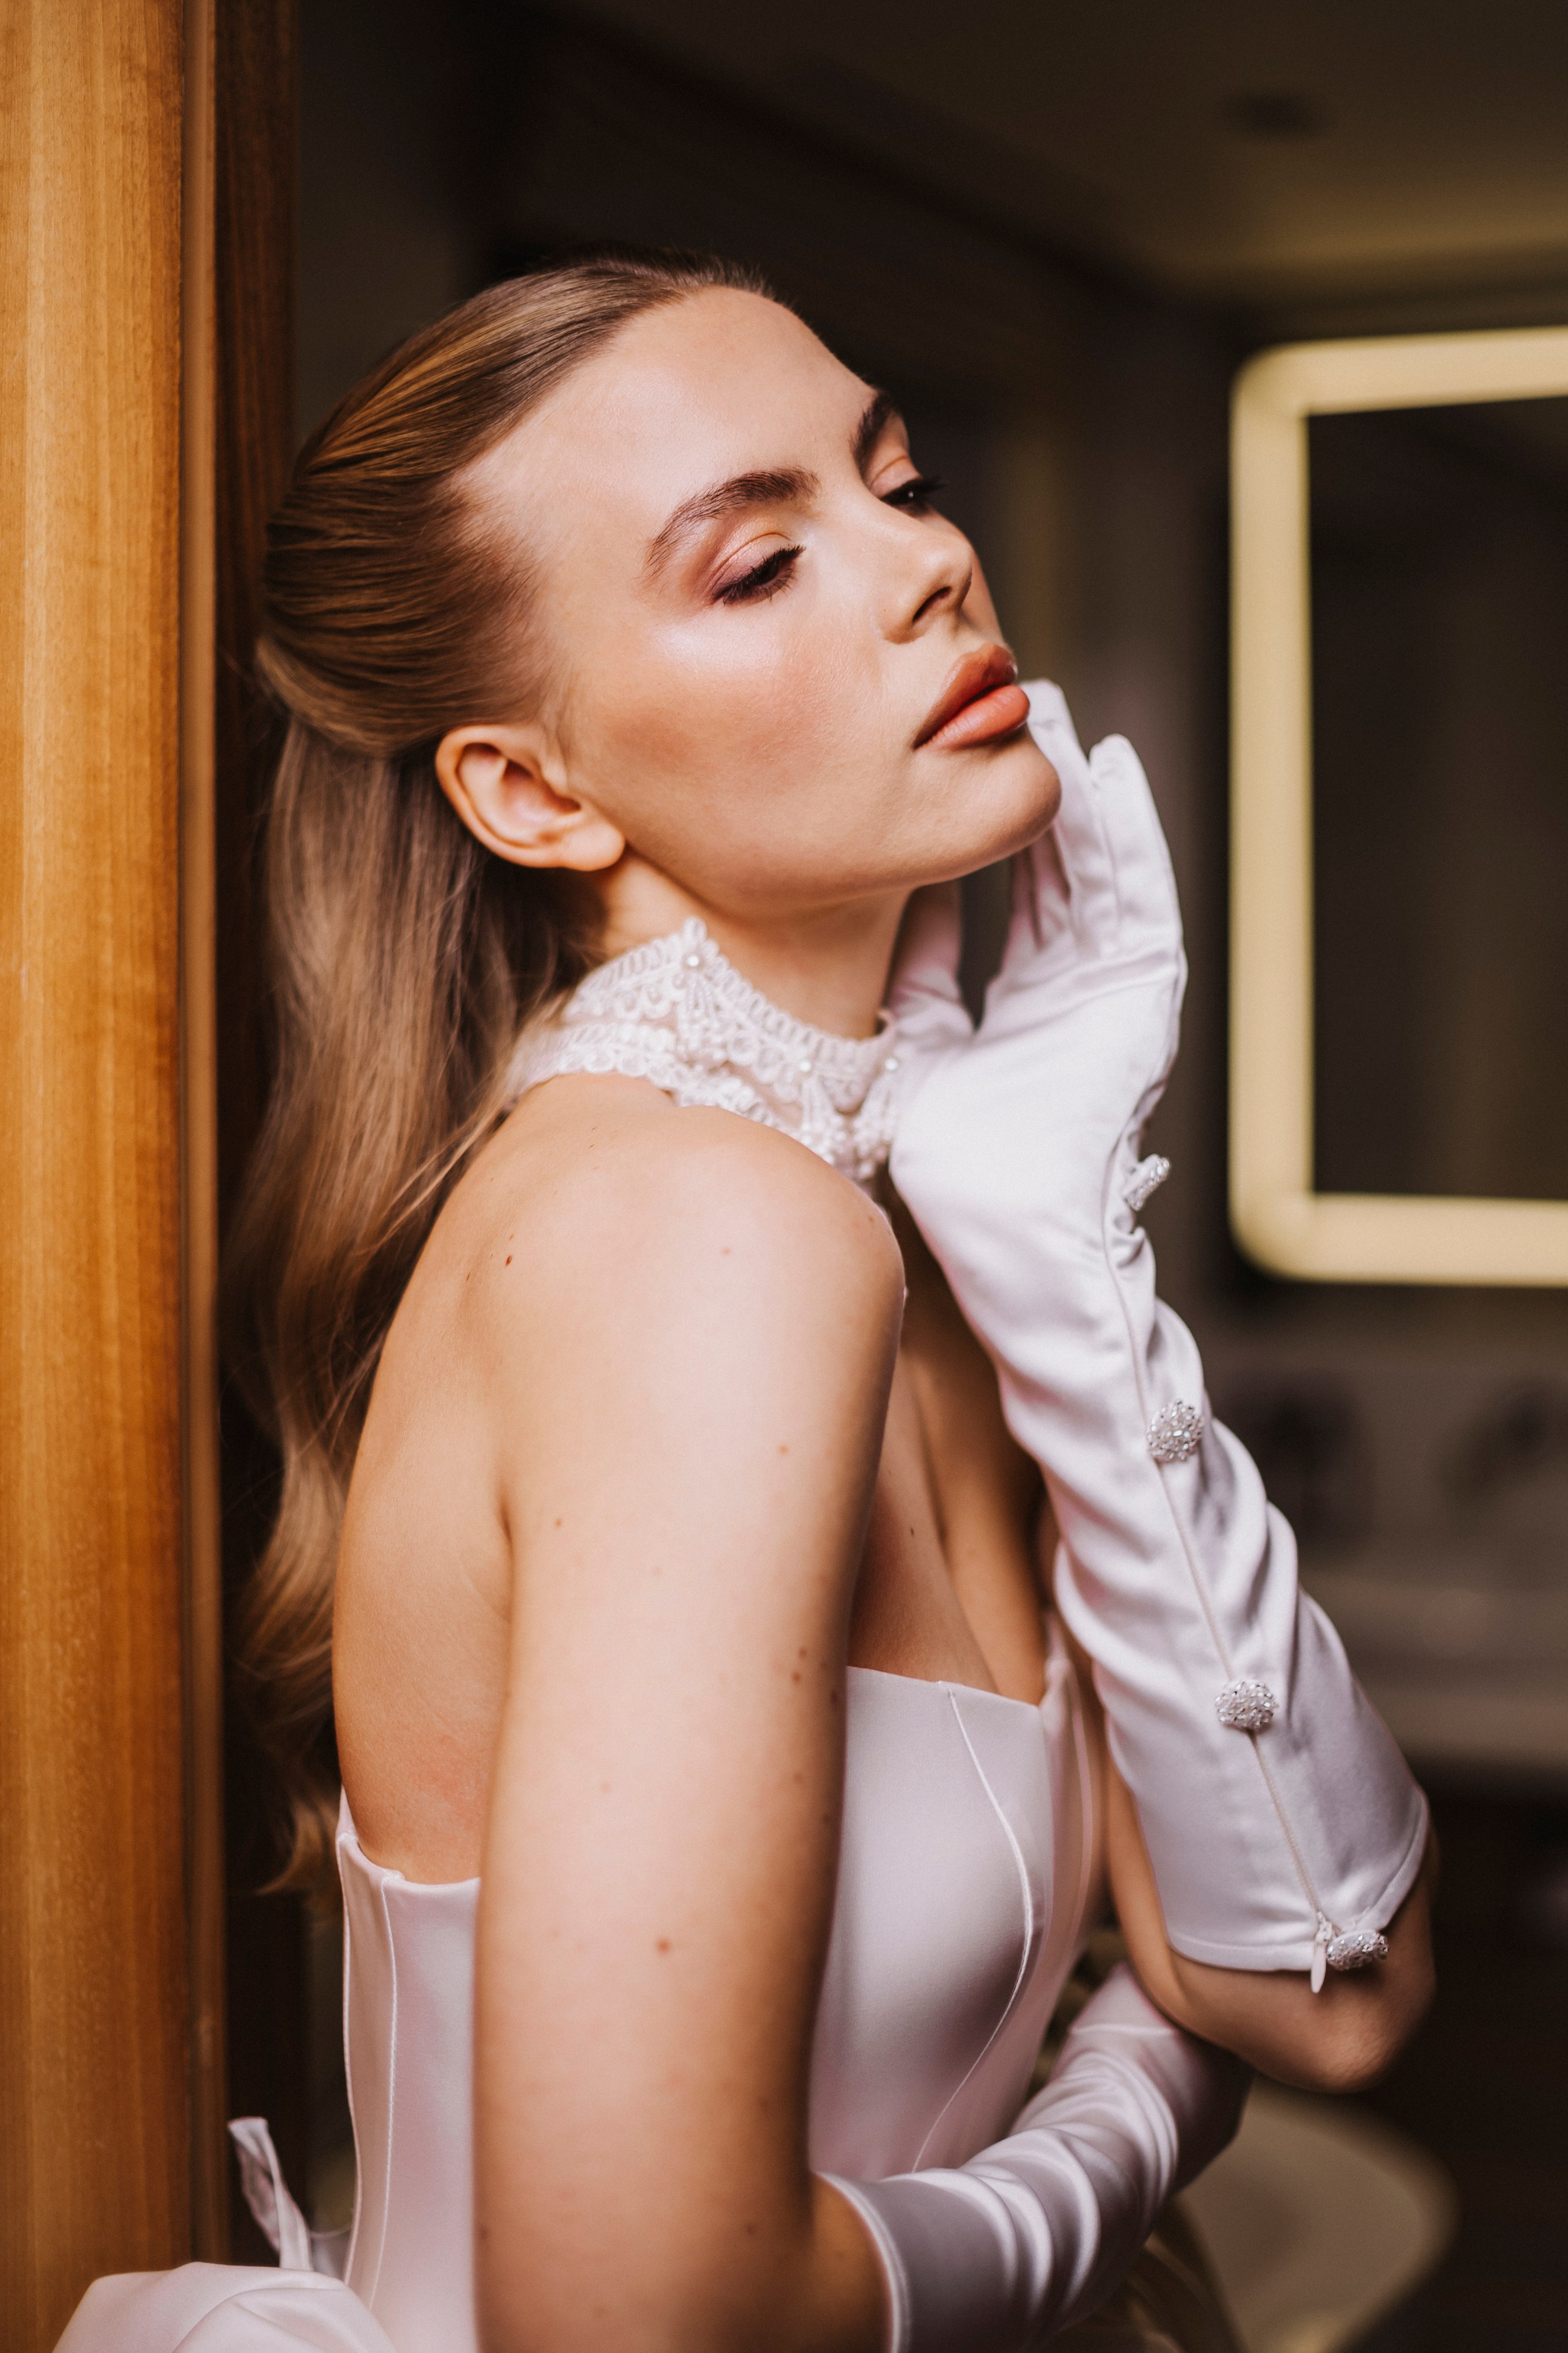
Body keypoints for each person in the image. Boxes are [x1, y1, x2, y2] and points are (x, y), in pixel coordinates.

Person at [59, 250, 1434, 2353]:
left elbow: (1328, 1990)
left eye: (900, 478)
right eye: (761, 561)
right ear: (534, 792)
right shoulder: (692, 1232)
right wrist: (1133, 2118)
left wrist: (1065, 1258)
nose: (932, 562)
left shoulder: (890, 1225)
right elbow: (643, 2310)